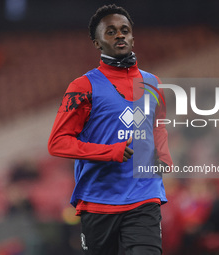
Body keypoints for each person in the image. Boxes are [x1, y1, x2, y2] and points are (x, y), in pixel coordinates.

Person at [48, 4, 172, 255]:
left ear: (133, 36)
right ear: (97, 42)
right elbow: (58, 142)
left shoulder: (152, 82)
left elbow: (158, 123)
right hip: (99, 200)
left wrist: (163, 154)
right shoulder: (83, 86)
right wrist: (109, 152)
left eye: (125, 30)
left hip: (144, 195)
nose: (120, 36)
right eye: (111, 31)